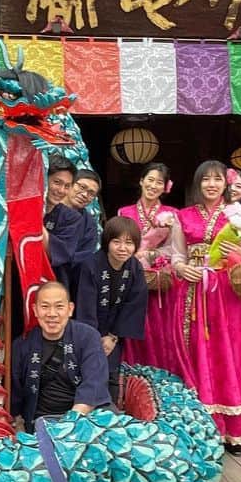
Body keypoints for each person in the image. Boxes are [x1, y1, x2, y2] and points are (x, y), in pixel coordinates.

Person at [168, 160, 241, 455]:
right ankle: (202, 425)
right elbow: (176, 253)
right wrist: (181, 268)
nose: (211, 185)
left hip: (228, 292)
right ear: (197, 184)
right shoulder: (183, 215)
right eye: (205, 179)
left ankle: (234, 429)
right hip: (194, 293)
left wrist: (240, 251)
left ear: (225, 185)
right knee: (197, 353)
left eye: (217, 179)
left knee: (231, 353)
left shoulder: (238, 214)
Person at [11, 281, 112, 430]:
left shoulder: (88, 336)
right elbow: (15, 394)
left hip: (85, 418)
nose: (52, 314)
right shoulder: (22, 344)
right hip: (42, 422)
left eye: (59, 307)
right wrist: (18, 426)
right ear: (35, 310)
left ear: (70, 309)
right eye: (45, 307)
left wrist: (69, 424)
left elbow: (95, 382)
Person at [74, 216, 149, 404]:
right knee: (88, 370)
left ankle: (110, 414)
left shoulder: (135, 268)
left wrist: (113, 336)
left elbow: (134, 303)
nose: (123, 248)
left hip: (115, 333)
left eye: (129, 243)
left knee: (111, 372)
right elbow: (85, 304)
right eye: (117, 242)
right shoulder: (91, 265)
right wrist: (95, 338)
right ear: (107, 242)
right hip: (90, 331)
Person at [117, 162, 182, 372]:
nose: (153, 186)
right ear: (141, 181)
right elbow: (117, 242)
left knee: (161, 330)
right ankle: (132, 373)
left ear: (166, 187)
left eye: (159, 182)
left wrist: (152, 255)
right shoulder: (124, 211)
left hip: (159, 281)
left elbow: (177, 249)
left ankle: (163, 377)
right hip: (131, 277)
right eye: (150, 180)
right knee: (133, 325)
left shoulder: (171, 214)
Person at [43, 156, 83, 288]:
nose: (61, 190)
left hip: (52, 287)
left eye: (67, 186)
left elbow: (56, 252)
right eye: (57, 182)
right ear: (44, 179)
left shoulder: (72, 218)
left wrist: (32, 217)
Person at [66, 168, 102, 271]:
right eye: (82, 187)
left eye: (91, 193)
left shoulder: (89, 224)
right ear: (70, 183)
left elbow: (85, 256)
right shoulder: (49, 209)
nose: (85, 195)